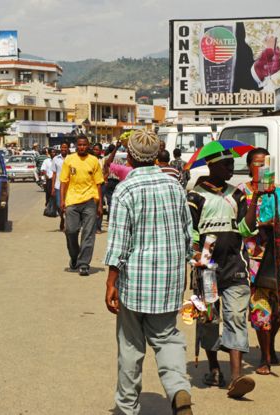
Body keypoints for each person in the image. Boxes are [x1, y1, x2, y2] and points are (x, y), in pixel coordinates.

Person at [105, 129, 193, 415]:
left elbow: (119, 240)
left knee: (131, 347)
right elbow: (186, 233)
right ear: (156, 156)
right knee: (168, 338)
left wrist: (110, 283)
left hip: (135, 282)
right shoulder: (174, 187)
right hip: (169, 281)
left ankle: (127, 408)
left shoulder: (126, 189)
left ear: (129, 156)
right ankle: (179, 390)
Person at [187, 149, 259, 399]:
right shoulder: (195, 196)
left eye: (232, 164)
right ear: (212, 166)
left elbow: (247, 229)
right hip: (207, 271)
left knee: (236, 317)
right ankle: (215, 369)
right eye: (227, 164)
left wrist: (255, 198)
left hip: (235, 267)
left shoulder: (237, 194)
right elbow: (191, 233)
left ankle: (237, 376)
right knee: (208, 319)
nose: (231, 168)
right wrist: (196, 255)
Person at [238, 148, 280, 375]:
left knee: (279, 310)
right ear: (249, 166)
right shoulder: (242, 192)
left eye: (266, 163)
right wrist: (257, 199)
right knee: (260, 309)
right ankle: (265, 358)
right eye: (257, 164)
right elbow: (243, 228)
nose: (262, 168)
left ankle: (271, 344)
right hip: (255, 258)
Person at [59, 136, 104, 276]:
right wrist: (62, 200)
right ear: (76, 146)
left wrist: (100, 205)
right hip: (72, 200)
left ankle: (84, 263)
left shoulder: (94, 160)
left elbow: (98, 184)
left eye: (84, 145)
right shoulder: (69, 160)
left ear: (88, 146)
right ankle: (74, 256)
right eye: (79, 145)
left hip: (90, 200)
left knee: (88, 234)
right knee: (71, 231)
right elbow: (64, 182)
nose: (82, 147)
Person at [50, 142, 69, 231]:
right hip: (58, 185)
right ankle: (62, 218)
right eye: (62, 147)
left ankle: (66, 221)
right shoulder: (55, 159)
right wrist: (52, 187)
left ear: (68, 148)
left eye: (65, 147)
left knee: (68, 205)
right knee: (59, 205)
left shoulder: (72, 158)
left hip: (69, 186)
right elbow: (54, 174)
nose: (63, 149)